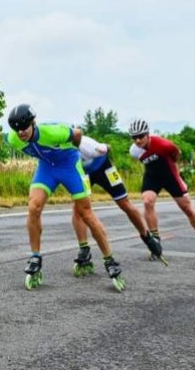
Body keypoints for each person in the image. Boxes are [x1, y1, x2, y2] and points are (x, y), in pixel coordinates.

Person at [7, 104, 126, 292]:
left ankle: (109, 259)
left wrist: (77, 154)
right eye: (17, 128)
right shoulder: (13, 139)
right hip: (47, 168)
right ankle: (35, 256)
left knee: (85, 213)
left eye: (24, 127)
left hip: (69, 165)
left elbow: (78, 134)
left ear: (33, 122)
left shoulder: (53, 133)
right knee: (33, 207)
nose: (21, 132)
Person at [128, 119, 195, 260]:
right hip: (152, 176)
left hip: (170, 175)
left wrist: (175, 172)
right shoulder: (134, 151)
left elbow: (177, 154)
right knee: (147, 202)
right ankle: (156, 239)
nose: (138, 140)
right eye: (134, 138)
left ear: (148, 134)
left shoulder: (164, 144)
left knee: (187, 207)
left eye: (141, 136)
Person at [75, 128, 165, 264]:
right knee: (78, 209)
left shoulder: (86, 144)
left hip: (102, 166)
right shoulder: (57, 152)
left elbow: (106, 148)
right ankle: (84, 249)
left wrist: (105, 146)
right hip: (84, 173)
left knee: (124, 203)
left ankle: (147, 237)